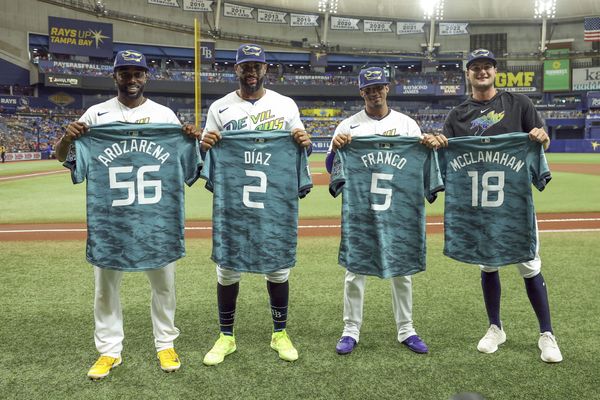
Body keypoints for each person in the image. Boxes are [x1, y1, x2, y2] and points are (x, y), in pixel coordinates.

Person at [55, 50, 201, 379]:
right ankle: (109, 351)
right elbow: (62, 157)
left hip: (156, 220)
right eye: (125, 73)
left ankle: (165, 343)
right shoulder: (96, 114)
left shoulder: (165, 116)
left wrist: (192, 140)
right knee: (105, 289)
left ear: (146, 77)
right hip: (111, 222)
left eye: (137, 73)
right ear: (115, 77)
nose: (131, 79)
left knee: (164, 286)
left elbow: (190, 163)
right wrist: (67, 137)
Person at [428, 48, 562, 363]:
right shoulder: (457, 115)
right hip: (478, 206)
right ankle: (495, 327)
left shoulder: (520, 104)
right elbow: (444, 151)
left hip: (514, 205)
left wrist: (542, 137)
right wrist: (437, 142)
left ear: (495, 71)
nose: (482, 71)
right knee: (487, 264)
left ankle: (546, 333)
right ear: (468, 73)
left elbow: (543, 145)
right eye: (475, 67)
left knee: (529, 264)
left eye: (487, 66)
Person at [200, 43, 311, 365]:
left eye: (256, 66)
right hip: (234, 205)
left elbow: (297, 142)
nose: (251, 71)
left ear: (265, 69)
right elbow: (207, 155)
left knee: (277, 270)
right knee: (227, 270)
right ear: (236, 70)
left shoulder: (285, 104)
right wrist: (206, 145)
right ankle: (226, 336)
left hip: (273, 202)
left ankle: (280, 332)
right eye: (245, 66)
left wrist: (302, 142)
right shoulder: (220, 108)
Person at [325, 67, 439, 355]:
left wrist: (426, 145)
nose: (374, 92)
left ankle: (406, 329)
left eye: (379, 87)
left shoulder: (408, 125)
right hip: (360, 210)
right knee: (354, 271)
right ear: (361, 92)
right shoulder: (347, 127)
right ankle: (351, 330)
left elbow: (421, 164)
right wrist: (336, 150)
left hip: (399, 209)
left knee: (402, 272)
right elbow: (332, 168)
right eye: (368, 88)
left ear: (387, 88)